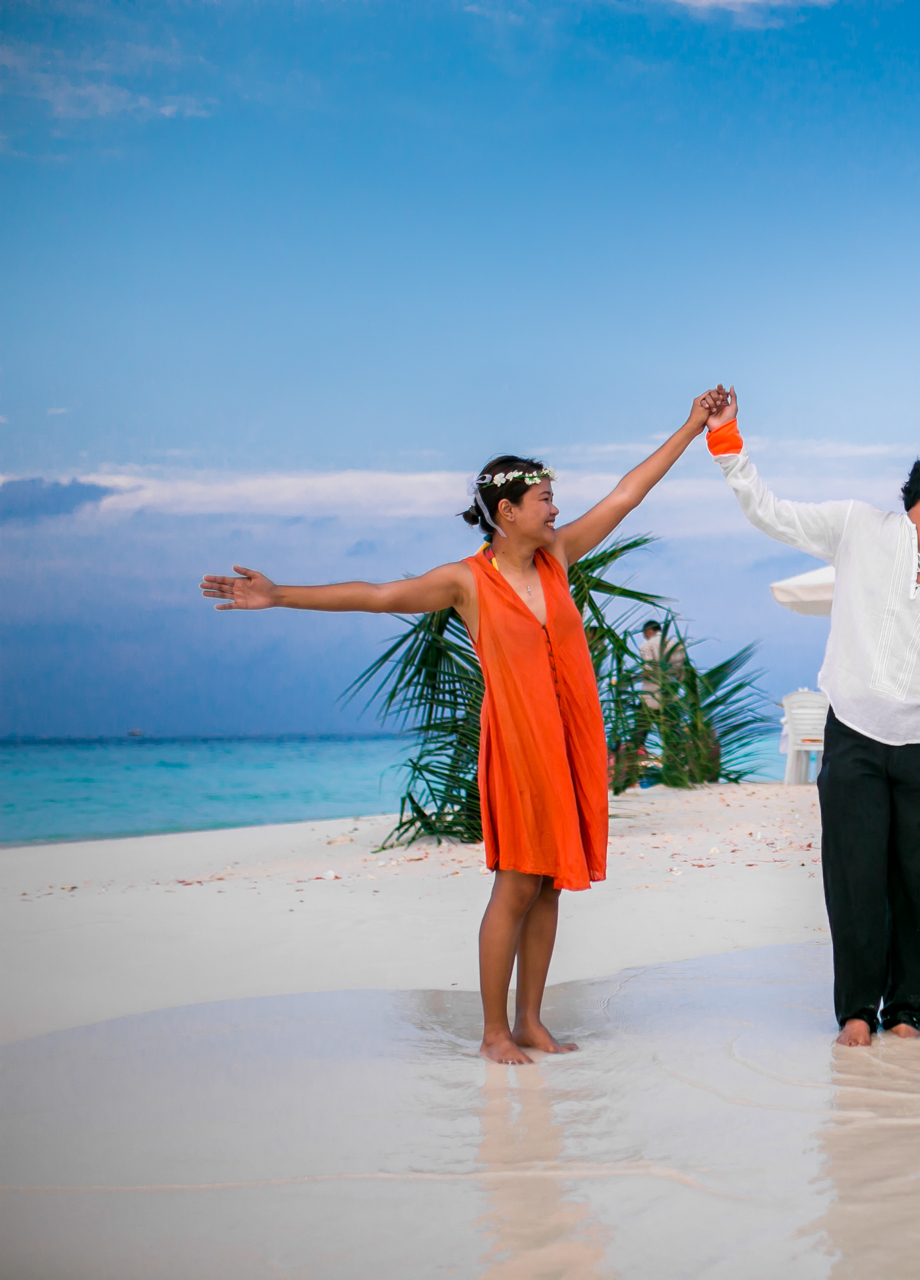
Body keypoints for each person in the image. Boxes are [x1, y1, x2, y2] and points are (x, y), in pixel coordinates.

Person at [199, 388, 732, 1064]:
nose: (556, 509)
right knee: (517, 883)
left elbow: (628, 494)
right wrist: (280, 595)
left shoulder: (559, 556)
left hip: (571, 742)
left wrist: (691, 426)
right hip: (519, 747)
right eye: (544, 499)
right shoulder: (467, 582)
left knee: (551, 884)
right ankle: (493, 1032)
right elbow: (377, 596)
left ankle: (531, 1021)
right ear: (507, 511)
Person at [701, 387, 920, 1047]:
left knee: (914, 884)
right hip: (854, 740)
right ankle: (858, 1011)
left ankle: (909, 1011)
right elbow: (769, 512)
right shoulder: (857, 526)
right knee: (854, 879)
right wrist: (726, 442)